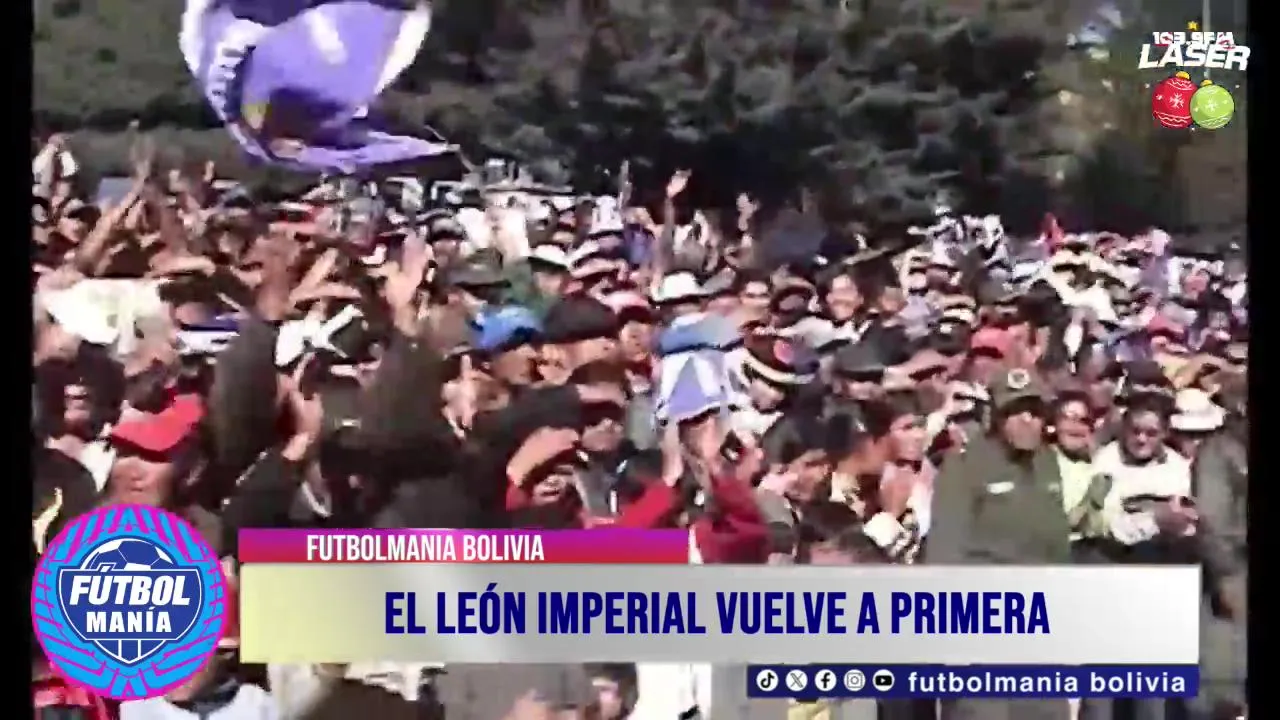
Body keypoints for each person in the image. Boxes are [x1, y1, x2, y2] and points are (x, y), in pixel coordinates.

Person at [930, 367, 1071, 720]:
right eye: (1015, 412)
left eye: (1035, 412)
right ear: (995, 416)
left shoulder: (1047, 461)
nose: (1028, 421)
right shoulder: (965, 464)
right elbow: (945, 551)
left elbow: (1057, 540)